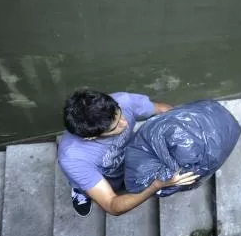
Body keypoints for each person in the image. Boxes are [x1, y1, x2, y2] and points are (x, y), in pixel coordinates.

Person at [57, 90, 199, 217]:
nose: (124, 123)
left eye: (120, 114)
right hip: (106, 178)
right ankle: (82, 193)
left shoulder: (123, 100)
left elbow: (162, 109)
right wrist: (157, 185)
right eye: (115, 127)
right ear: (91, 137)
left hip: (130, 157)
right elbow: (112, 205)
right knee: (86, 187)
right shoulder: (73, 158)